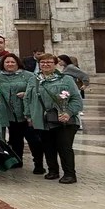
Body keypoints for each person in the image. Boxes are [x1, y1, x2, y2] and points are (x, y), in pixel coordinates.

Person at [24, 53, 84, 184]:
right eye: (42, 62)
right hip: (43, 119)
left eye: (49, 62)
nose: (45, 65)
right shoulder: (34, 80)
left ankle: (69, 174)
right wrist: (29, 116)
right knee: (48, 146)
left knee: (64, 146)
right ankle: (53, 170)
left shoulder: (65, 79)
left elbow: (77, 100)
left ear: (55, 64)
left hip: (64, 120)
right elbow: (28, 99)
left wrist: (68, 112)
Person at [0, 54, 41, 172]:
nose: (10, 64)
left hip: (26, 114)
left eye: (12, 62)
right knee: (15, 140)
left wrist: (26, 94)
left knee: (34, 140)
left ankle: (39, 164)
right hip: (10, 115)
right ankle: (17, 160)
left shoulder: (28, 75)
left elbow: (37, 90)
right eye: (7, 62)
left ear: (18, 63)